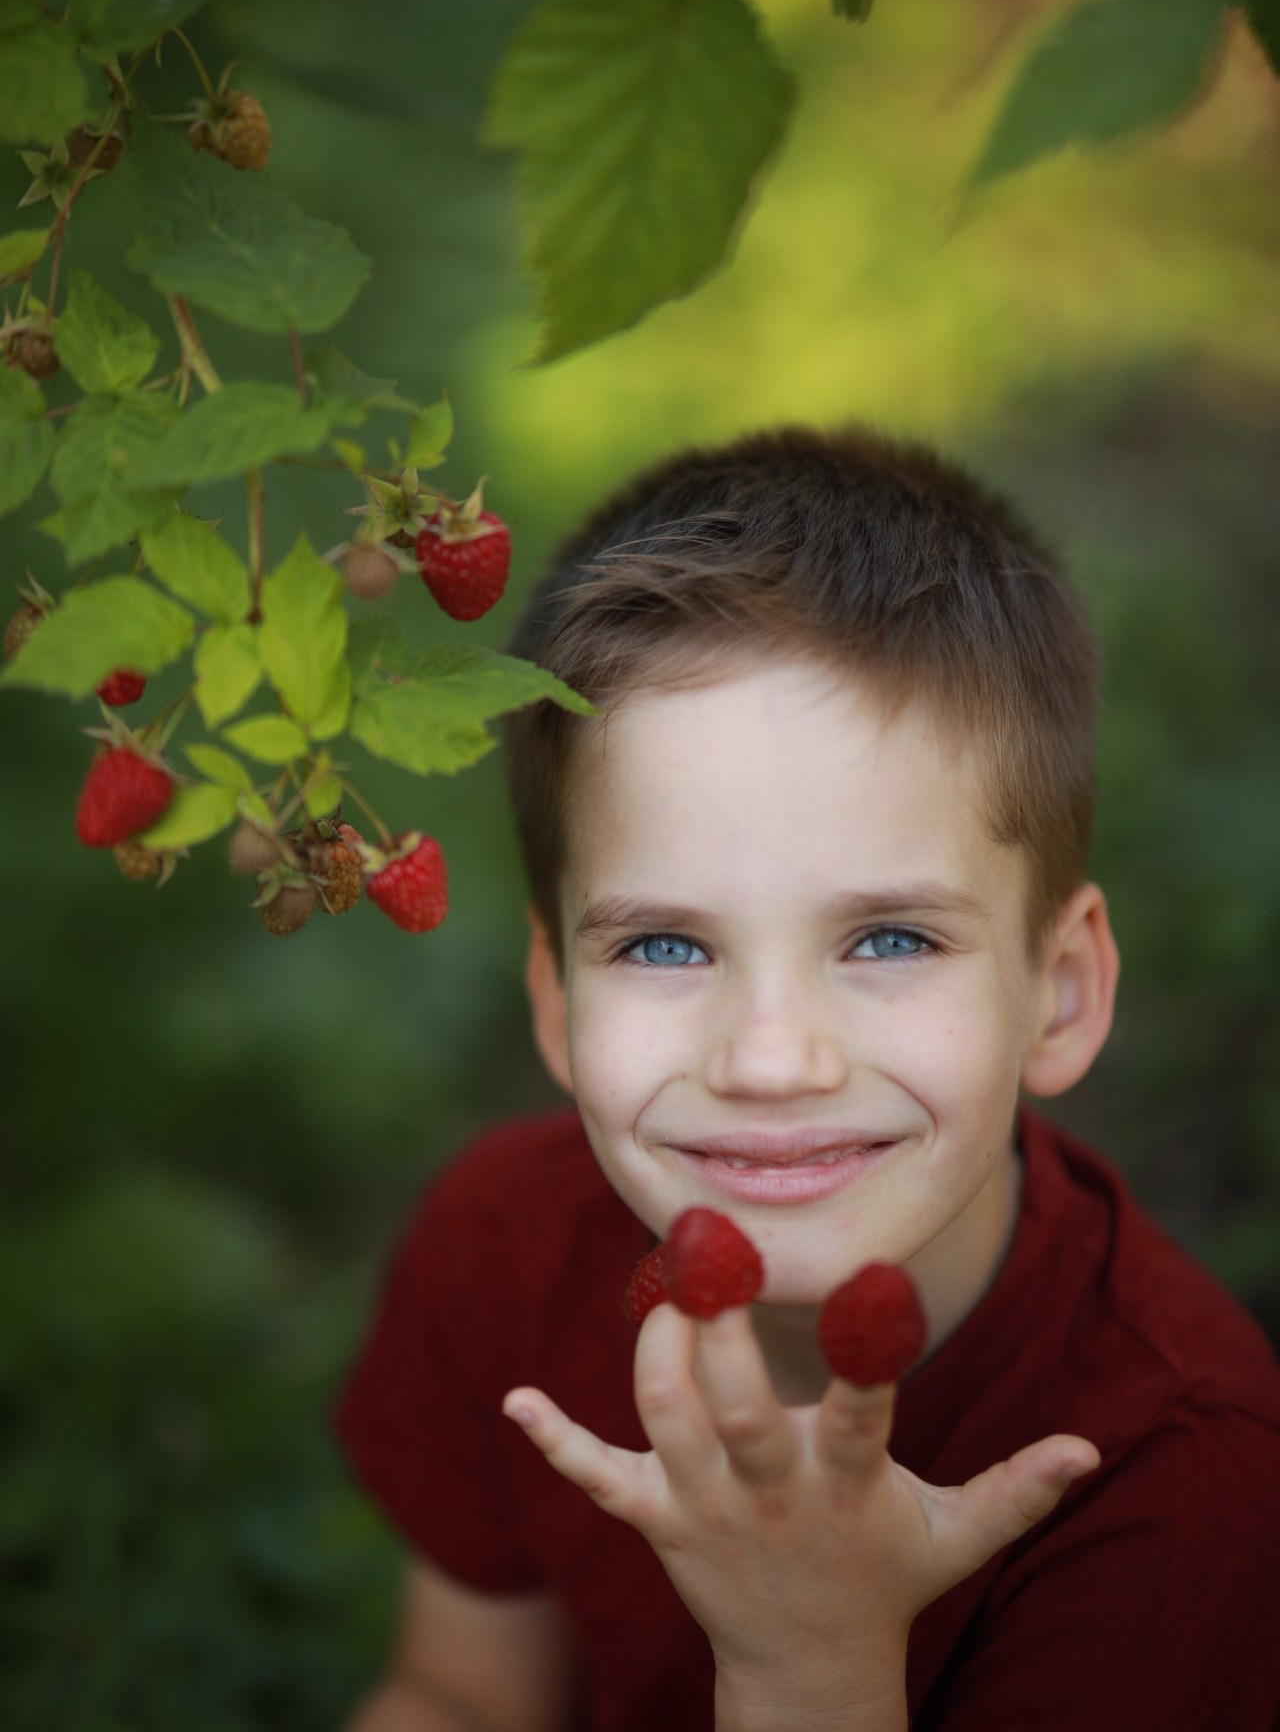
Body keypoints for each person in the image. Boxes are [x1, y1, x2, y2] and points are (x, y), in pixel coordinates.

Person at [334, 425, 1280, 1731]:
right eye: (665, 943)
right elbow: (461, 1694)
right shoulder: (501, 1246)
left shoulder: (1176, 1476)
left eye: (889, 938)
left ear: (1057, 993)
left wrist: (811, 1661)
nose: (771, 1061)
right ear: (557, 1006)